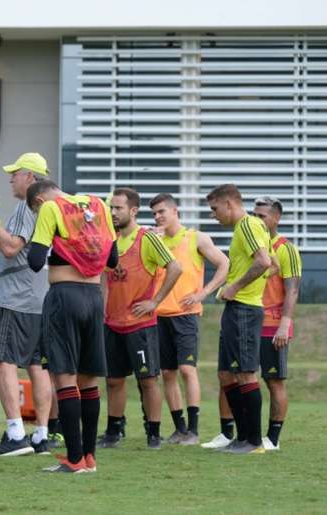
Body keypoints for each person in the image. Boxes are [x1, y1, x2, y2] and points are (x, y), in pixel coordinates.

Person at [26, 180, 116, 473]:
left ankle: (74, 458)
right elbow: (112, 258)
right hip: (93, 297)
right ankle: (89, 458)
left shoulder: (51, 208)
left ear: (39, 200)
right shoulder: (98, 204)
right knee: (89, 381)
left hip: (65, 297)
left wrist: (53, 244)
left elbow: (36, 261)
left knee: (65, 378)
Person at [0, 152, 52, 456]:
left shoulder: (25, 207)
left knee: (3, 362)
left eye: (15, 173)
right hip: (41, 297)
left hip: (17, 298)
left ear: (30, 178)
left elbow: (9, 248)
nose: (10, 178)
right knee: (37, 365)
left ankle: (16, 433)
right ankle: (41, 435)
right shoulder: (51, 208)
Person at [99, 187, 182, 450]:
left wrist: (155, 302)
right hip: (112, 323)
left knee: (147, 380)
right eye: (111, 207)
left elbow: (175, 268)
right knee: (113, 380)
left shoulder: (147, 238)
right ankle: (114, 431)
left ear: (133, 211)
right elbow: (103, 277)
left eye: (118, 208)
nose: (113, 212)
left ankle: (153, 433)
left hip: (140, 325)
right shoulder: (108, 239)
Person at [149, 193, 229, 445]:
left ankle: (193, 430)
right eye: (154, 213)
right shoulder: (154, 240)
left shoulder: (196, 238)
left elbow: (224, 263)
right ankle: (180, 428)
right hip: (159, 315)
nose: (158, 217)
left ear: (175, 211)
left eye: (162, 211)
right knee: (167, 373)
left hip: (186, 315)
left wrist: (204, 293)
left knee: (187, 369)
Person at [205, 184, 271, 454]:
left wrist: (235, 286)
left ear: (230, 203)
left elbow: (264, 262)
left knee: (245, 373)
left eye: (214, 209)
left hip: (244, 308)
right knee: (226, 374)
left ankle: (254, 441)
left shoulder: (247, 225)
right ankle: (242, 438)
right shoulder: (246, 229)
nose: (213, 215)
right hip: (235, 309)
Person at [253, 196, 300, 451]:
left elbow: (292, 290)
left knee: (274, 381)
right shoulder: (253, 246)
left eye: (262, 216)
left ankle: (272, 439)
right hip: (249, 322)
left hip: (273, 324)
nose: (257, 220)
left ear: (276, 218)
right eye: (254, 215)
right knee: (237, 376)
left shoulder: (286, 248)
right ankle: (240, 434)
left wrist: (285, 324)